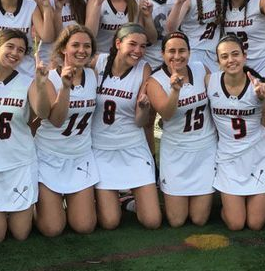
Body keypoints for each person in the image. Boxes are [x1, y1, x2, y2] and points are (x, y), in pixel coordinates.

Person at [0, 29, 51, 243]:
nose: (15, 53)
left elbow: (42, 113)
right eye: (10, 47)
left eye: (21, 50)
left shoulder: (27, 82)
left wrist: (41, 85)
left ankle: (32, 209)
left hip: (19, 162)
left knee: (21, 234)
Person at [208, 35, 265, 231]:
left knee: (256, 223)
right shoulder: (209, 81)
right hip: (228, 157)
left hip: (257, 155)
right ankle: (228, 207)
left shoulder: (258, 84)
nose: (230, 60)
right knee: (235, 224)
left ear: (245, 56)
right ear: (218, 62)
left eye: (235, 54)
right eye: (224, 56)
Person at [92, 23, 161, 230]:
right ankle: (111, 199)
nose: (138, 51)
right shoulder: (98, 62)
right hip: (101, 148)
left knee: (152, 221)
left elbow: (140, 122)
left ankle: (129, 199)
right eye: (132, 44)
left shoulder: (144, 68)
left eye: (143, 46)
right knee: (110, 222)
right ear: (118, 43)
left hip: (132, 146)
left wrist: (143, 108)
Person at [33, 24, 99, 237]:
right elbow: (56, 120)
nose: (82, 50)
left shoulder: (93, 74)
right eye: (76, 45)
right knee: (52, 229)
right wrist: (65, 88)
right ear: (63, 49)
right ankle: (36, 207)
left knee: (84, 226)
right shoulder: (49, 78)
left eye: (87, 46)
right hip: (49, 156)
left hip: (80, 156)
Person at [147, 32, 217, 227]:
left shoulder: (201, 69)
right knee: (177, 220)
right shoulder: (155, 80)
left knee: (199, 219)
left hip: (205, 149)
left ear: (189, 52)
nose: (177, 56)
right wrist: (175, 91)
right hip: (176, 151)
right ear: (162, 54)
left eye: (182, 51)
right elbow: (167, 114)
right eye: (171, 51)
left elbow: (218, 97)